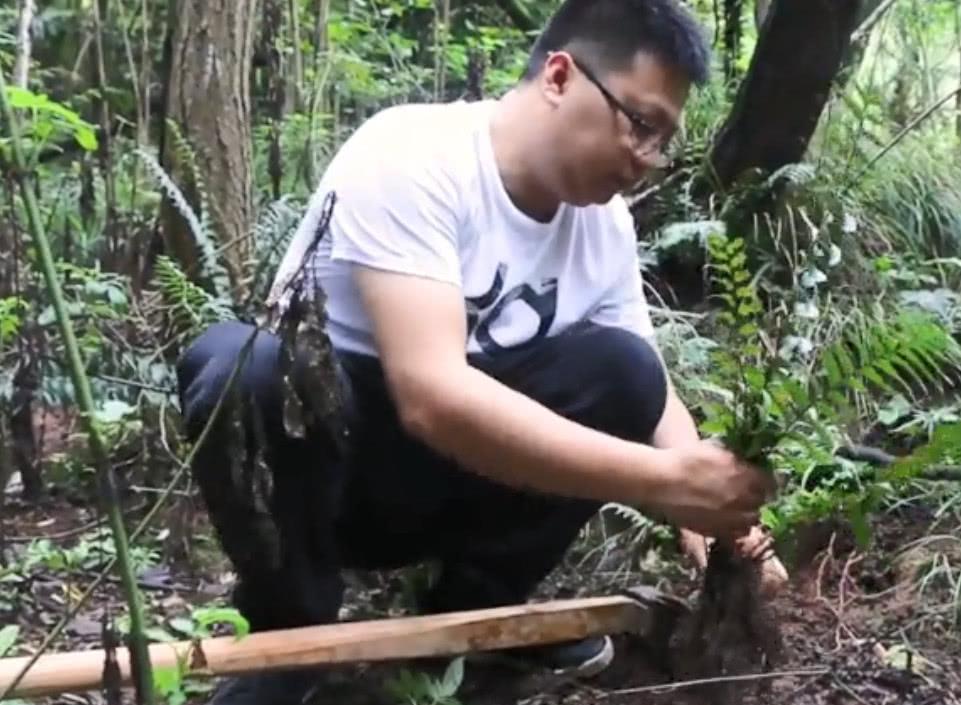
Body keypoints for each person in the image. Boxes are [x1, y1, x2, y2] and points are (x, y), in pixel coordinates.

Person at [176, 1, 785, 702]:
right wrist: (659, 480)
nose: (645, 160)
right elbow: (431, 395)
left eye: (663, 141)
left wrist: (715, 518)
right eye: (639, 124)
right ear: (559, 76)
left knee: (624, 370)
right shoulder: (411, 155)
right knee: (241, 368)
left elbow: (649, 392)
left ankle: (469, 615)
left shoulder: (603, 226)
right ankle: (291, 631)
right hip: (330, 475)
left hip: (453, 483)